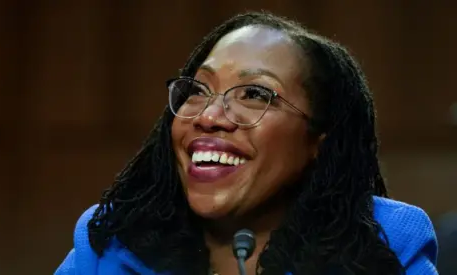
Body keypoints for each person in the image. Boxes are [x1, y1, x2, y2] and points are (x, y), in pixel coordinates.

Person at [55, 11, 438, 275]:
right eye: (198, 89)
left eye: (254, 94)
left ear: (319, 141)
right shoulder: (113, 242)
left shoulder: (385, 245)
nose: (208, 116)